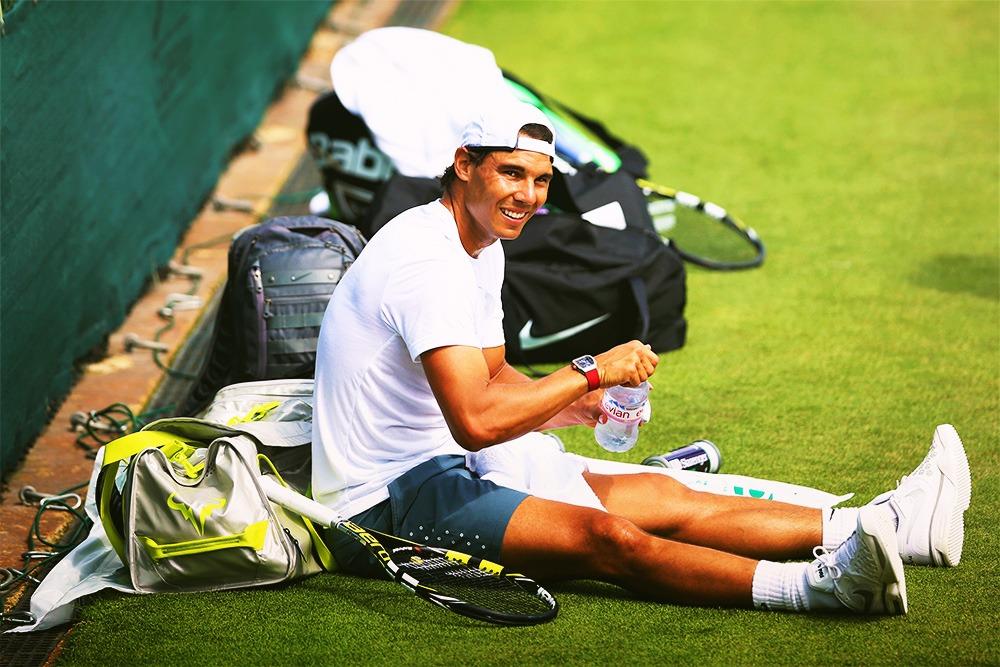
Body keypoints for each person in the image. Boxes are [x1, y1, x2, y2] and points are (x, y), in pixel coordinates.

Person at [311, 101, 971, 615]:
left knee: (662, 495)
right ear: (464, 165)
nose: (529, 196)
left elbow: (493, 377)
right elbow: (477, 421)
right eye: (511, 173)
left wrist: (575, 404)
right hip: (384, 506)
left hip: (448, 462)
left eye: (541, 180)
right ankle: (821, 588)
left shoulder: (482, 242)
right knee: (612, 539)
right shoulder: (426, 264)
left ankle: (895, 526)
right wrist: (590, 370)